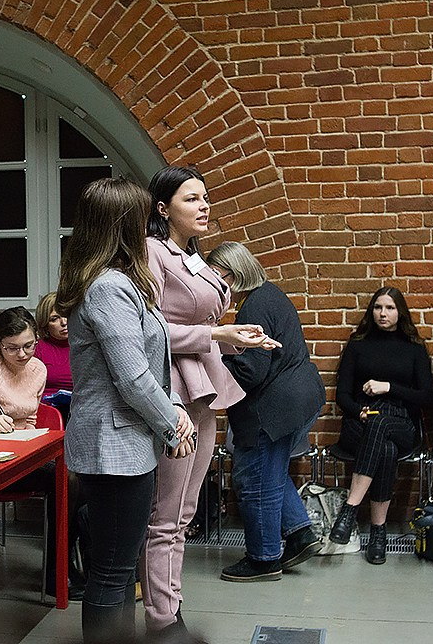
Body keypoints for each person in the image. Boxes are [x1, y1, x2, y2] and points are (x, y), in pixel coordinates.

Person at [56, 176, 194, 644]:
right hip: (113, 445)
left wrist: (173, 409)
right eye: (143, 218)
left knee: (118, 571)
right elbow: (133, 378)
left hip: (126, 442)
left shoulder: (121, 282)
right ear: (123, 225)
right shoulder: (107, 287)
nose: (151, 225)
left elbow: (156, 362)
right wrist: (174, 423)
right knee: (113, 574)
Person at [142, 166, 277, 641]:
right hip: (174, 392)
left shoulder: (193, 256)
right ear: (164, 208)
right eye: (192, 199)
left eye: (205, 198)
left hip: (205, 388)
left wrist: (237, 339)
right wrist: (215, 333)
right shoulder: (152, 252)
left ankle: (171, 605)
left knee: (184, 512)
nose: (204, 206)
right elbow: (149, 331)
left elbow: (207, 329)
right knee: (165, 515)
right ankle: (161, 619)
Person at [0, 306, 84, 600]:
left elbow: (30, 419)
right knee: (68, 482)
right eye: (12, 348)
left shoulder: (37, 369)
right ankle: (58, 572)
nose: (22, 355)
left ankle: (60, 567)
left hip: (22, 454)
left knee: (77, 481)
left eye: (29, 346)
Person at [204, 242, 322, 582]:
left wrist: (211, 357)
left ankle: (264, 558)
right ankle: (298, 533)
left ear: (233, 274)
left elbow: (251, 371)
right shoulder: (270, 295)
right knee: (270, 473)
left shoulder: (254, 306)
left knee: (255, 479)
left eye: (216, 276)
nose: (213, 284)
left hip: (274, 405)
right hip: (297, 397)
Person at [329, 287, 433, 564]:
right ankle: (378, 532)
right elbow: (342, 395)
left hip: (401, 421)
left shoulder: (414, 349)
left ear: (400, 312)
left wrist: (388, 387)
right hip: (359, 420)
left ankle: (349, 509)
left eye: (389, 308)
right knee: (385, 449)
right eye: (378, 307)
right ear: (371, 311)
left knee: (383, 428)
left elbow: (427, 398)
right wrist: (360, 411)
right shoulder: (357, 345)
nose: (383, 313)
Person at [34, 291, 72, 420]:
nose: (64, 322)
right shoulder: (37, 349)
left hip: (81, 409)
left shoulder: (85, 345)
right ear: (45, 324)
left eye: (66, 315)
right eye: (54, 319)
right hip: (48, 412)